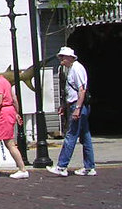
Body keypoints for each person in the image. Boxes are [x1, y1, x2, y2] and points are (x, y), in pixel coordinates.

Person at [47, 46, 96, 177]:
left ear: (70, 57)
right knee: (85, 136)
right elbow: (68, 89)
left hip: (78, 106)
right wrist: (64, 105)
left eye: (63, 57)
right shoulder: (68, 69)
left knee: (71, 135)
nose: (61, 59)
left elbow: (82, 90)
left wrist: (78, 108)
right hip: (74, 104)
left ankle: (62, 166)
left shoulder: (77, 69)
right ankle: (89, 167)